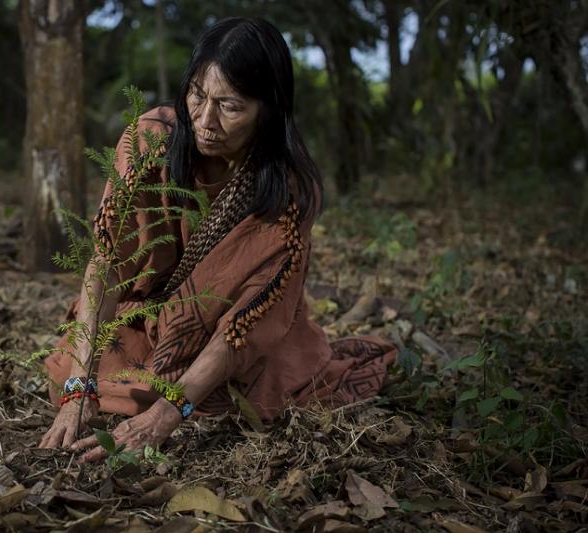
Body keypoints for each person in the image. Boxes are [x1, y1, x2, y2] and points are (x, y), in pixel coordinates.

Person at [39, 17, 396, 460]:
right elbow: (108, 263)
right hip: (147, 319)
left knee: (231, 398)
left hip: (235, 336)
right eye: (197, 95)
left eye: (230, 106)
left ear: (268, 110)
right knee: (73, 368)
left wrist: (167, 414)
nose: (205, 121)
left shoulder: (287, 192)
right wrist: (79, 387)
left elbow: (246, 323)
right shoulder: (152, 143)